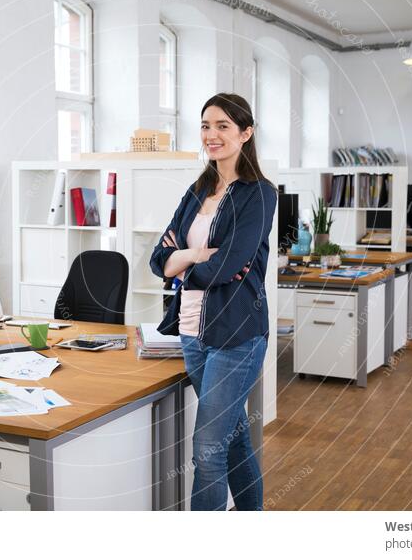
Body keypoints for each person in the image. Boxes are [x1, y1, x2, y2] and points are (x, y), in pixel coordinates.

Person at [149, 93, 277, 511]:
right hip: (190, 332)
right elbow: (157, 258)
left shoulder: (258, 194)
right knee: (233, 438)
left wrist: (181, 264)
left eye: (223, 126)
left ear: (246, 133)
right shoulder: (197, 189)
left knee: (206, 451)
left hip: (236, 335)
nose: (212, 135)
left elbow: (227, 267)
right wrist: (192, 257)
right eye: (206, 125)